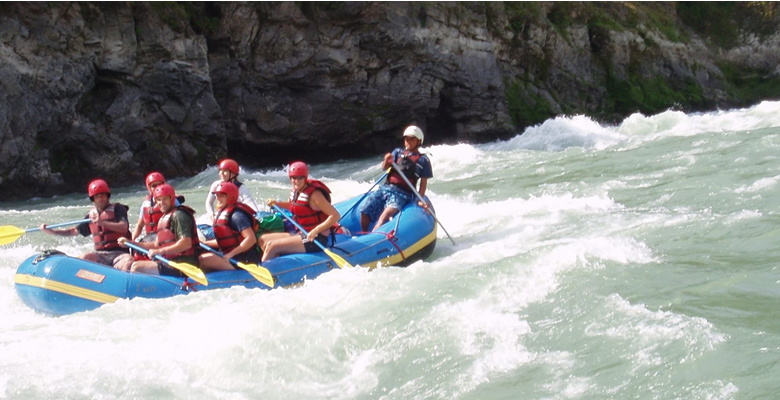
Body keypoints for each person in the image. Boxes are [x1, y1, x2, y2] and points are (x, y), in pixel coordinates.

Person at [40, 179, 134, 271]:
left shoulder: (118, 209)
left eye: (103, 195)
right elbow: (74, 231)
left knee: (128, 261)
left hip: (120, 254)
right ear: (93, 199)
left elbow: (123, 227)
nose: (100, 198)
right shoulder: (90, 215)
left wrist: (102, 223)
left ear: (108, 196)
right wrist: (52, 232)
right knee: (85, 257)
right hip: (100, 254)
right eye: (97, 196)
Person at [260, 161, 340, 262]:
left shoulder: (315, 195)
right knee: (263, 239)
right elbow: (295, 207)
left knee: (272, 245)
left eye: (300, 178)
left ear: (305, 178)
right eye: (294, 178)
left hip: (316, 238)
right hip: (302, 233)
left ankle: (266, 269)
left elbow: (335, 216)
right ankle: (277, 263)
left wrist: (316, 230)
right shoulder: (295, 191)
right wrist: (277, 204)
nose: (296, 181)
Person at [359, 125, 433, 232]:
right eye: (407, 139)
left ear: (419, 141)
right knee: (364, 210)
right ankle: (364, 233)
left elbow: (423, 183)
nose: (408, 142)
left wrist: (419, 199)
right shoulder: (397, 152)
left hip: (403, 194)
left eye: (412, 139)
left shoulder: (423, 160)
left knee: (385, 216)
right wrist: (387, 160)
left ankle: (371, 237)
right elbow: (385, 168)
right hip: (385, 188)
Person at [119, 184, 201, 277]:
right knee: (137, 263)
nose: (161, 202)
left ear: (172, 198)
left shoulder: (179, 215)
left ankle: (140, 291)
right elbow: (155, 245)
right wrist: (130, 243)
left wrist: (160, 251)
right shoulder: (163, 218)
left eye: (164, 199)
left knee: (137, 267)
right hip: (169, 262)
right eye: (158, 200)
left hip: (183, 264)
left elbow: (186, 243)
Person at [199, 181, 262, 271]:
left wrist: (230, 254)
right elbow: (227, 240)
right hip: (232, 256)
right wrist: (205, 243)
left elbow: (251, 239)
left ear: (231, 197)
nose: (218, 198)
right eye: (217, 195)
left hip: (245, 260)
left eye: (221, 196)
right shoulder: (223, 213)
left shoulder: (237, 216)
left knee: (203, 260)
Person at [205, 159, 259, 223]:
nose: (221, 173)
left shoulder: (241, 188)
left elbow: (253, 209)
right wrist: (212, 215)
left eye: (225, 171)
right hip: (220, 216)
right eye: (220, 171)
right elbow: (208, 203)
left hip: (234, 217)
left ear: (233, 174)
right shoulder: (216, 185)